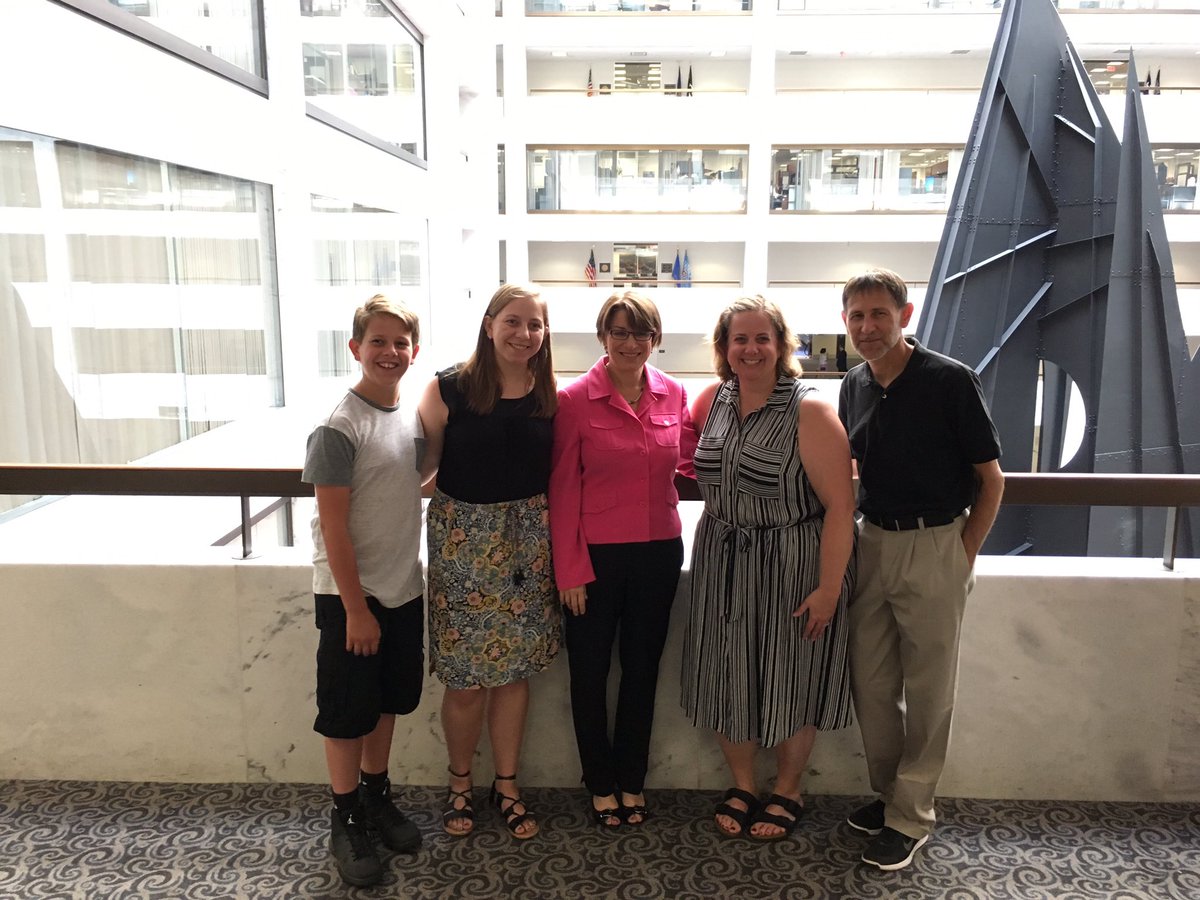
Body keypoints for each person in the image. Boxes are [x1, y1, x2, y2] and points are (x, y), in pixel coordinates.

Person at [838, 268, 1004, 871]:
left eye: (879, 314)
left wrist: (962, 554)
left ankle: (912, 816)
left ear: (905, 317)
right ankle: (890, 797)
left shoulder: (949, 380)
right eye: (856, 316)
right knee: (871, 682)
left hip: (936, 543)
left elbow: (991, 479)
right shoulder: (854, 384)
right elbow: (853, 471)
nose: (867, 326)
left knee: (930, 689)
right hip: (871, 543)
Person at [681, 295, 857, 841]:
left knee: (789, 676)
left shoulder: (809, 409)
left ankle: (787, 787)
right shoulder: (712, 399)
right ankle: (742, 783)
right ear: (724, 348)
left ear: (782, 346)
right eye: (740, 339)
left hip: (792, 563)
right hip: (721, 560)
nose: (751, 348)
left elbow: (841, 508)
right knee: (727, 674)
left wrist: (829, 589)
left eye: (763, 338)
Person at [548, 291, 698, 829]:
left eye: (641, 333)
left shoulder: (674, 393)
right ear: (602, 338)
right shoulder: (573, 401)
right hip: (594, 562)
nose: (630, 343)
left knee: (642, 672)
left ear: (654, 340)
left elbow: (689, 461)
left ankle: (632, 778)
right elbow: (563, 491)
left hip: (659, 555)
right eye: (619, 332)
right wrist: (569, 570)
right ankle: (600, 782)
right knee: (588, 675)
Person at [418, 282, 561, 841]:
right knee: (465, 680)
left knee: (514, 676)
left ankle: (506, 784)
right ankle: (459, 783)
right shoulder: (446, 388)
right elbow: (421, 468)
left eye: (535, 325)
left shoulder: (549, 392)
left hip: (528, 545)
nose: (524, 334)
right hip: (461, 544)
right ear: (489, 324)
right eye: (513, 322)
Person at [302, 294, 426, 887]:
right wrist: (355, 609)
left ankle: (377, 798)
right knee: (347, 713)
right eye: (377, 341)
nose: (389, 351)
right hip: (352, 598)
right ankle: (345, 816)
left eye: (400, 343)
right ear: (355, 349)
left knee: (386, 703)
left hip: (404, 589)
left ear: (413, 351)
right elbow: (332, 527)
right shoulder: (337, 426)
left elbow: (416, 478)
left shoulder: (408, 417)